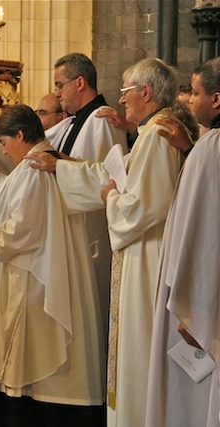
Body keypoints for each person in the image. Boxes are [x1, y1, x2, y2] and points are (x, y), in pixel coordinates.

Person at [27, 57, 183, 427]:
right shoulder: (149, 134)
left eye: (127, 91)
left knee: (139, 345)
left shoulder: (159, 136)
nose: (122, 100)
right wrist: (62, 167)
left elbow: (143, 207)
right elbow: (111, 173)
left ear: (146, 92)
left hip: (147, 256)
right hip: (137, 253)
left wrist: (111, 199)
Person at [0, 105, 105, 427]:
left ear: (21, 135)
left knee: (33, 374)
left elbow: (25, 228)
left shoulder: (35, 167)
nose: (3, 150)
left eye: (4, 142)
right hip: (30, 278)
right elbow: (10, 192)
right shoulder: (38, 162)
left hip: (32, 284)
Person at [146, 57, 220, 427]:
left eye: (197, 92)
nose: (190, 100)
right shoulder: (205, 146)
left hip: (207, 300)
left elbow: (203, 233)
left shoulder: (213, 148)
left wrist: (194, 307)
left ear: (218, 99)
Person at [49, 52, 128, 331]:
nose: (57, 93)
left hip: (92, 234)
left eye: (60, 85)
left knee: (92, 317)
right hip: (75, 231)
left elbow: (103, 178)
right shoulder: (75, 121)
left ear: (79, 82)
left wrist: (57, 164)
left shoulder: (100, 120)